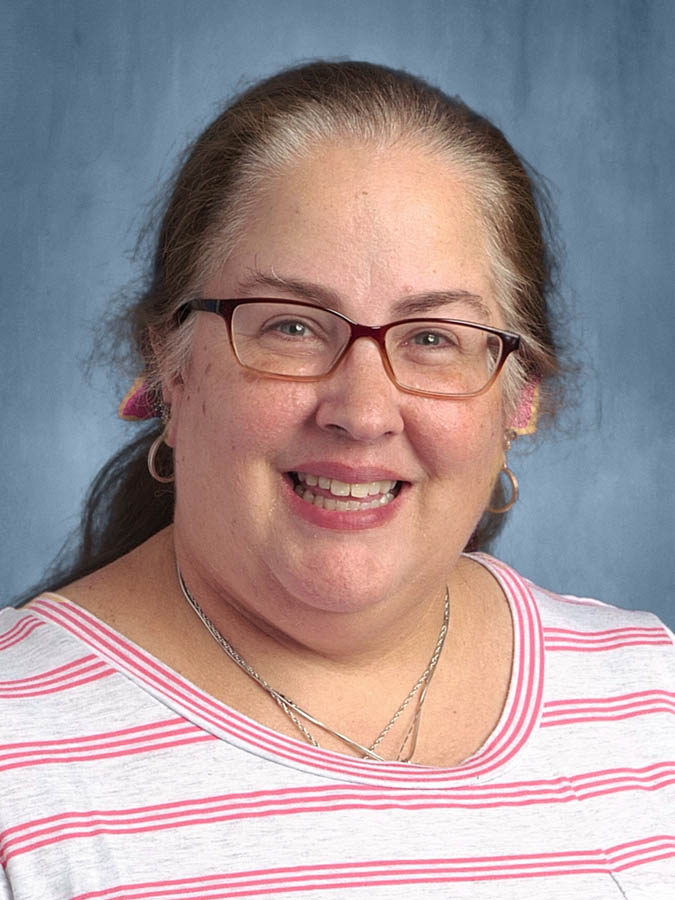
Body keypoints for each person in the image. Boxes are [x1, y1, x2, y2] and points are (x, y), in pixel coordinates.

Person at [1, 60, 673, 899]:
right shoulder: (15, 753)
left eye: (432, 337)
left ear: (519, 398)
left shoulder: (651, 705)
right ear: (168, 369)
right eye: (289, 325)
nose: (362, 410)